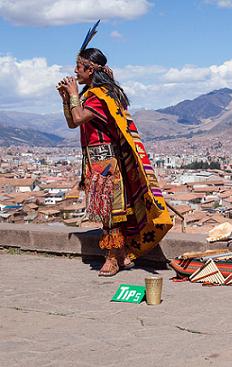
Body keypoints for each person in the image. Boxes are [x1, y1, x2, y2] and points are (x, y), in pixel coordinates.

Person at [57, 22, 172, 276]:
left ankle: (112, 256)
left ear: (90, 69)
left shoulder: (101, 96)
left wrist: (73, 94)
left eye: (79, 67)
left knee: (112, 211)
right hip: (95, 160)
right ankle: (119, 254)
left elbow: (77, 119)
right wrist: (68, 99)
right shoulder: (92, 95)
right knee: (107, 210)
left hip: (107, 161)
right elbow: (72, 122)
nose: (75, 72)